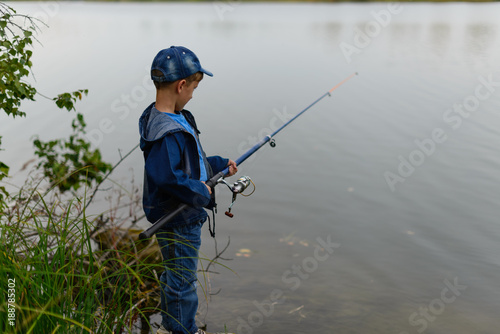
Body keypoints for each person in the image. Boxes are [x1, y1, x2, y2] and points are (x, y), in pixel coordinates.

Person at [139, 46, 237, 334]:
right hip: (178, 219)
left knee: (176, 277)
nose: (194, 93)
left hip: (178, 215)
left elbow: (190, 163)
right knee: (183, 282)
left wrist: (218, 165)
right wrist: (201, 192)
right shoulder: (166, 132)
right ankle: (183, 330)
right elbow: (170, 178)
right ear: (181, 85)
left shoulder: (169, 117)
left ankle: (172, 326)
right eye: (193, 87)